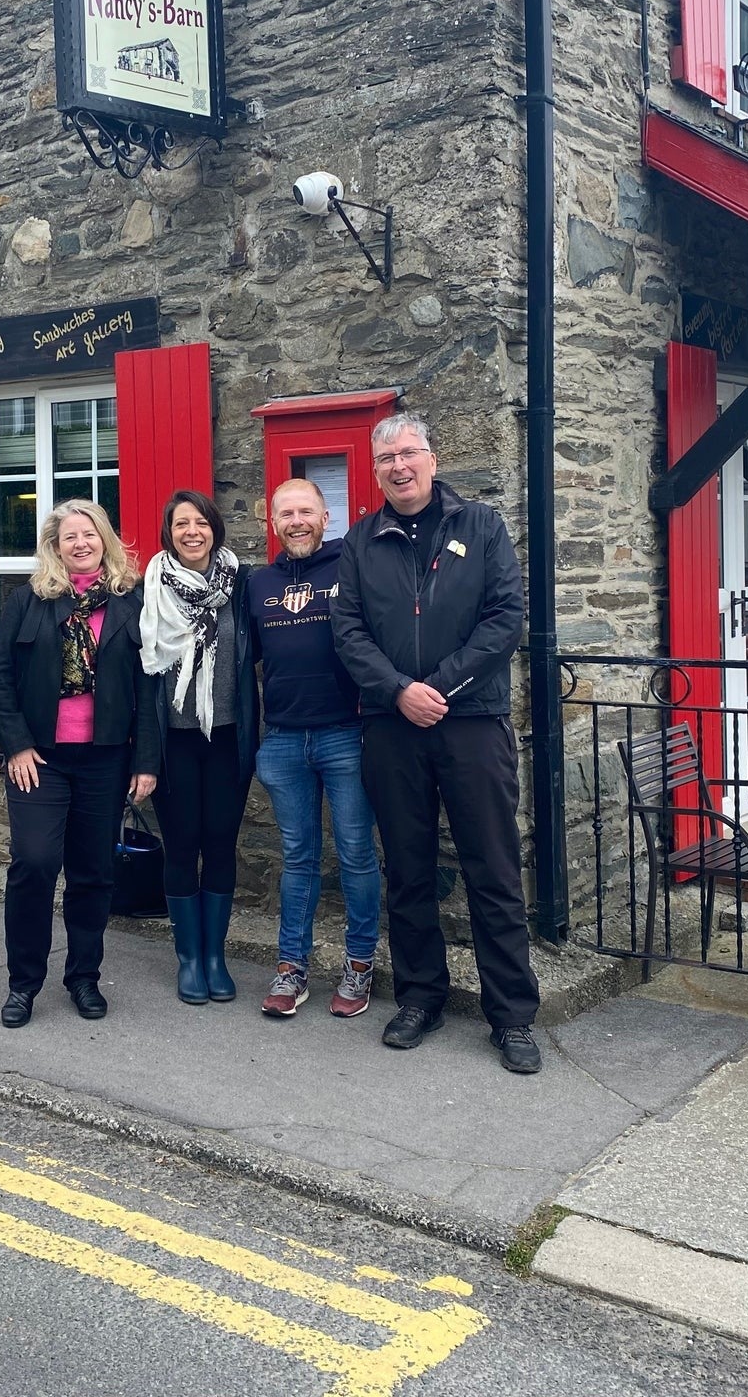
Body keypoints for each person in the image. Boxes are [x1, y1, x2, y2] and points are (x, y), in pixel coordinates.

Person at [331, 413, 543, 1074]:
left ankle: (510, 1016)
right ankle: (421, 996)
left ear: (432, 456)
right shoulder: (361, 542)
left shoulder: (480, 526)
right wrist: (399, 691)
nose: (399, 465)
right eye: (386, 458)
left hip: (471, 721)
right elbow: (348, 631)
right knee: (409, 871)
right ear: (375, 472)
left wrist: (438, 688)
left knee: (494, 871)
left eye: (409, 453)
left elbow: (505, 617)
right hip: (393, 729)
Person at [0, 500, 159, 1029]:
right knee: (34, 863)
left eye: (89, 534)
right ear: (55, 548)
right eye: (69, 538)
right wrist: (15, 745)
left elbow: (151, 688)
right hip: (41, 758)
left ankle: (84, 977)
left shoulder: (134, 603)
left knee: (93, 872)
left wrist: (145, 761)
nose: (80, 544)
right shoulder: (28, 602)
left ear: (105, 539)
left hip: (106, 760)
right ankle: (23, 984)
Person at [248, 478, 381, 1019]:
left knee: (355, 854)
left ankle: (358, 963)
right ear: (272, 522)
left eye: (306, 511)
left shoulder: (351, 566)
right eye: (286, 513)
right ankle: (292, 966)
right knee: (298, 857)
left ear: (326, 517)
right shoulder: (256, 583)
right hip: (282, 738)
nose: (296, 521)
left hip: (345, 733)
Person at [140, 490, 257, 1004]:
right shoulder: (149, 590)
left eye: (201, 522)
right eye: (182, 523)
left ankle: (215, 956)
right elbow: (143, 681)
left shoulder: (242, 585)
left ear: (215, 529)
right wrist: (143, 758)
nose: (193, 531)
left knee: (221, 843)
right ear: (169, 532)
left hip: (228, 738)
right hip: (176, 742)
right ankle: (189, 959)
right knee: (182, 844)